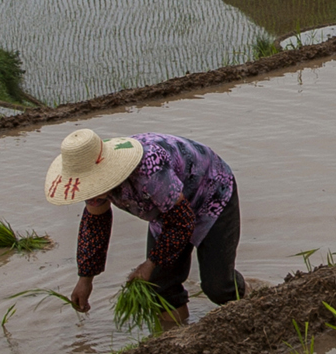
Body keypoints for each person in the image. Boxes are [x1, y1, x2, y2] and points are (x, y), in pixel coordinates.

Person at [48, 127, 243, 328]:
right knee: (160, 287)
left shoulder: (149, 170)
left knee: (218, 287)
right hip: (168, 211)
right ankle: (179, 339)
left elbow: (182, 221)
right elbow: (96, 225)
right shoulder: (94, 188)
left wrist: (150, 263)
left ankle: (255, 304)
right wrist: (85, 279)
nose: (92, 193)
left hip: (211, 194)